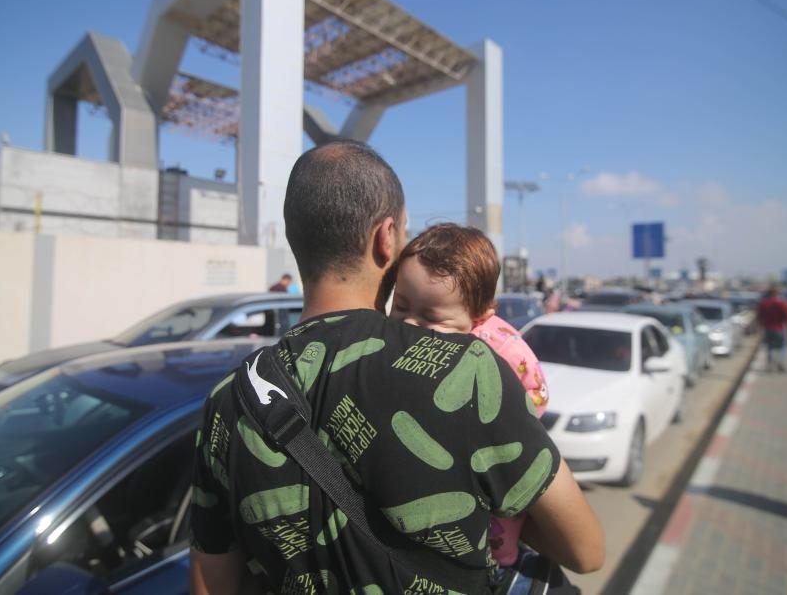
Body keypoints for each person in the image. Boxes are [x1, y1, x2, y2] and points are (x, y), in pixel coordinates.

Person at [190, 141, 604, 594]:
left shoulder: (228, 400)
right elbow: (586, 550)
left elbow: (212, 582)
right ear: (386, 238)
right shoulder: (466, 368)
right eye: (405, 231)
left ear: (295, 238)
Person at [388, 223, 549, 567]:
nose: (409, 325)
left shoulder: (502, 349)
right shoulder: (392, 338)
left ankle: (501, 558)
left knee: (500, 523)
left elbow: (536, 392)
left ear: (479, 316)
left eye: (430, 317)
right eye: (401, 305)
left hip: (491, 455)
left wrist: (497, 426)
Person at [757, 287, 787, 371]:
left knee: (770, 346)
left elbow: (759, 316)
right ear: (777, 294)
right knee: (782, 346)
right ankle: (780, 362)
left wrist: (760, 325)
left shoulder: (764, 303)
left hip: (768, 328)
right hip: (780, 328)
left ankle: (770, 363)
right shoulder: (782, 303)